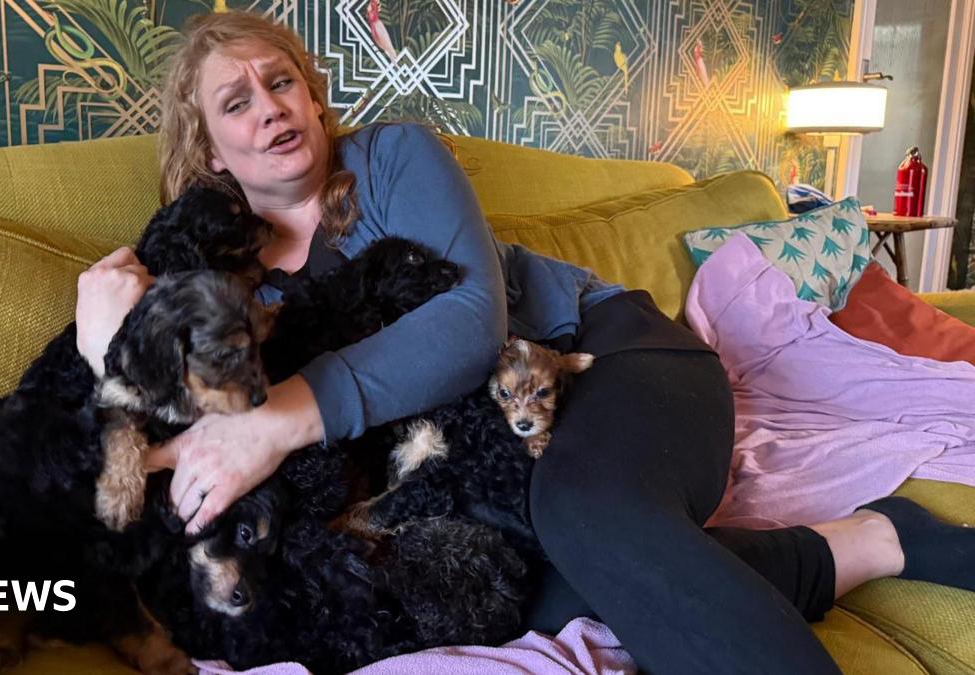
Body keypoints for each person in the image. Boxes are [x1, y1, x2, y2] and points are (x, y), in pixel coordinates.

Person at [73, 12, 975, 674]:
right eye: (237, 102)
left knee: (580, 513)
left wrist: (280, 421)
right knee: (518, 592)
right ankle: (871, 542)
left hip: (608, 358)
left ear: (313, 97)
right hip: (493, 455)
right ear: (210, 150)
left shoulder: (393, 158)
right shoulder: (217, 278)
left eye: (282, 83)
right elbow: (155, 424)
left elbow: (473, 324)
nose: (270, 107)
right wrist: (103, 339)